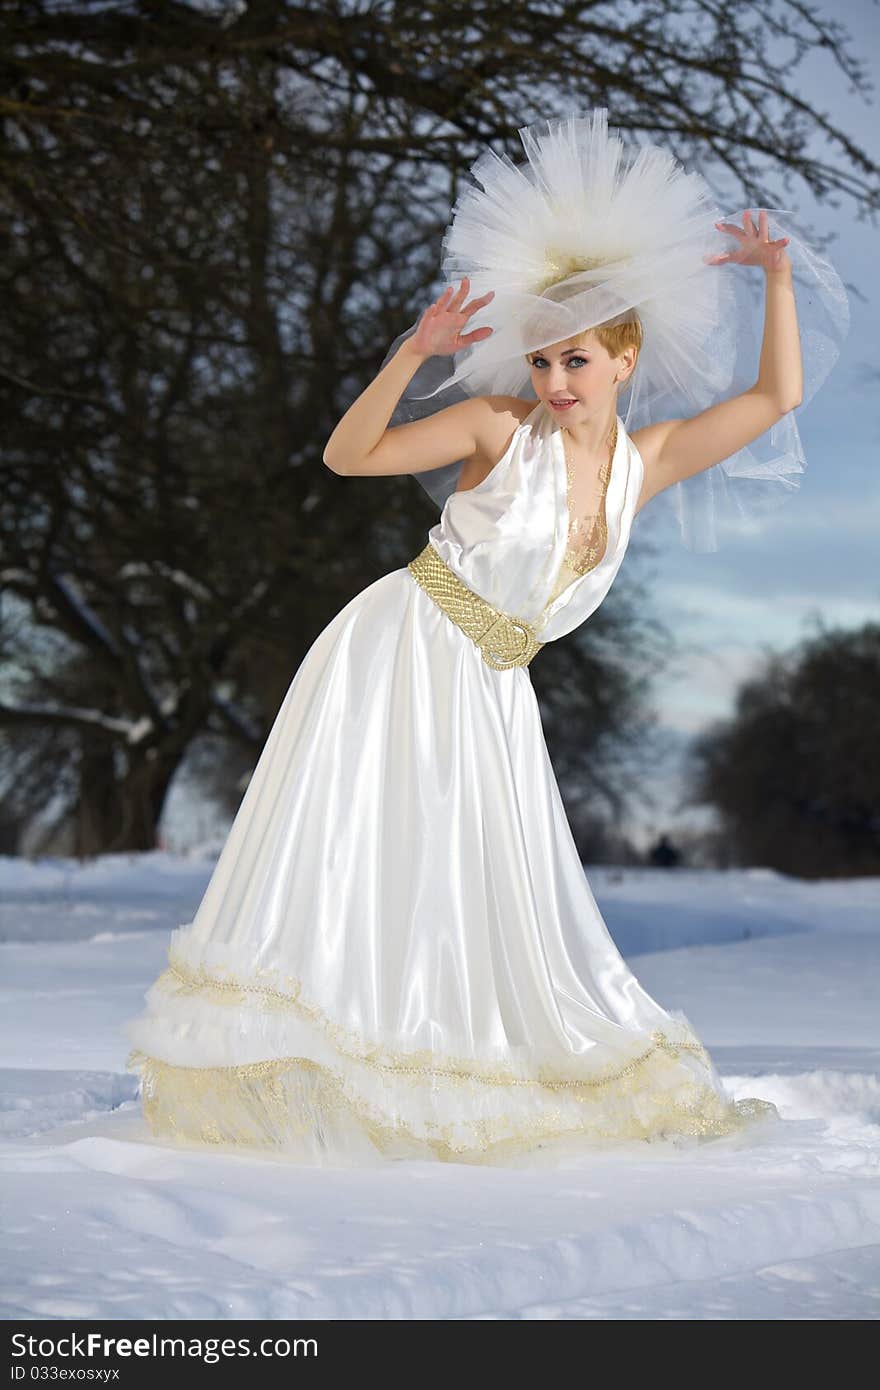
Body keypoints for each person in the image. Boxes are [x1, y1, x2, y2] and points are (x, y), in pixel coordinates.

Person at [124, 111, 847, 1166]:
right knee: (365, 863)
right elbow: (344, 456)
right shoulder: (498, 429)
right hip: (400, 649)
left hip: (492, 680)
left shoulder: (647, 463)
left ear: (624, 356)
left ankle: (440, 1067)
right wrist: (411, 354)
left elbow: (775, 394)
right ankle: (322, 1063)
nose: (557, 380)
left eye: (579, 360)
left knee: (475, 887)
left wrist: (775, 280)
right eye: (545, 358)